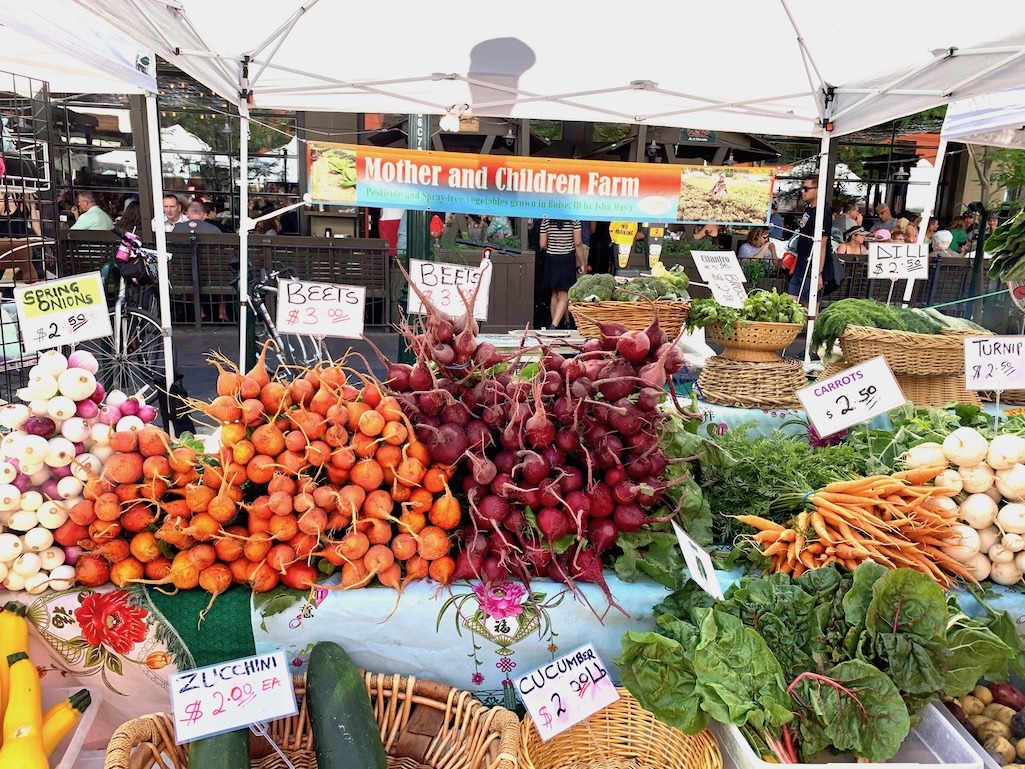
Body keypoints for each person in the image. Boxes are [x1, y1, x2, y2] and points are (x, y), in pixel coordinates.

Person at [786, 176, 832, 304]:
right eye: (803, 188)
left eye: (806, 189)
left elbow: (822, 244)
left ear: (817, 190)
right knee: (791, 302)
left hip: (813, 266)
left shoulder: (823, 212)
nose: (803, 191)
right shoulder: (809, 208)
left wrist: (819, 273)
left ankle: (813, 325)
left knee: (810, 306)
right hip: (801, 263)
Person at [539, 218, 582, 329]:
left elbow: (542, 244)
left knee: (554, 294)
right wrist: (582, 263)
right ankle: (554, 326)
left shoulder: (546, 219)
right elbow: (577, 243)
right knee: (564, 295)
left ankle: (554, 326)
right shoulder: (574, 219)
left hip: (551, 258)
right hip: (566, 258)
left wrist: (553, 247)